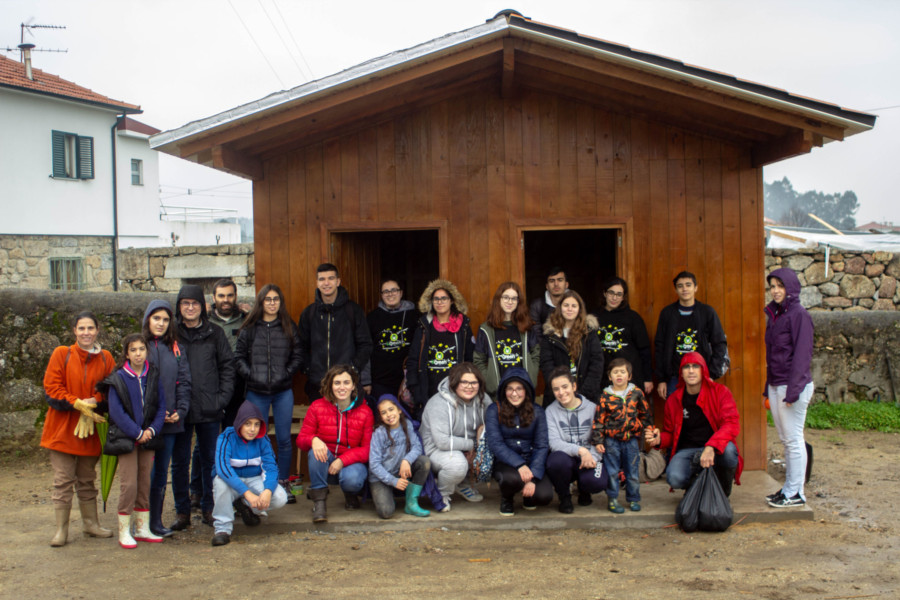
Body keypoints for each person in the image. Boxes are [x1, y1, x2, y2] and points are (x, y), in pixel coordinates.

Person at [41, 311, 115, 547]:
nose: (86, 333)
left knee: (86, 479)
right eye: (81, 328)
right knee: (63, 479)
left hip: (90, 430)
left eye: (90, 328)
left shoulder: (106, 358)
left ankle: (90, 524)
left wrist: (93, 401)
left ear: (97, 330)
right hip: (62, 429)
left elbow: (111, 389)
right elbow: (52, 388)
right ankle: (61, 529)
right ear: (74, 331)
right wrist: (76, 402)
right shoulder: (61, 354)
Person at [171, 285, 235, 529]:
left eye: (194, 303)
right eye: (185, 303)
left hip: (209, 408)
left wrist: (222, 399)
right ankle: (182, 512)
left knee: (211, 461)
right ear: (179, 306)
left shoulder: (214, 333)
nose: (190, 308)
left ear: (203, 306)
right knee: (179, 461)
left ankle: (210, 508)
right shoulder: (172, 334)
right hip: (180, 409)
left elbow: (228, 367)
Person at [235, 283, 303, 504]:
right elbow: (239, 358)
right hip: (256, 392)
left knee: (284, 440)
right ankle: (261, 484)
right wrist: (251, 375)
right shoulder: (250, 328)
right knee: (257, 438)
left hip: (283, 391)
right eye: (268, 299)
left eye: (276, 299)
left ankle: (282, 483)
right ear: (261, 302)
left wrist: (287, 373)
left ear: (280, 302)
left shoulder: (288, 326)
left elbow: (298, 354)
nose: (272, 303)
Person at [645, 352, 742, 496]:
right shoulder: (673, 400)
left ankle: (722, 492)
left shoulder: (720, 392)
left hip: (714, 449)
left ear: (703, 370)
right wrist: (659, 439)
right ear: (681, 373)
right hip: (688, 450)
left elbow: (731, 424)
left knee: (728, 451)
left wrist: (711, 446)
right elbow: (670, 434)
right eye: (686, 367)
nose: (691, 371)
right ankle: (696, 491)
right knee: (674, 478)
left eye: (695, 366)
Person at [101, 334, 166, 548]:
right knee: (129, 484)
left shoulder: (153, 375)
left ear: (147, 351)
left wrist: (152, 430)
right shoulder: (118, 378)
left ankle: (142, 527)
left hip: (149, 438)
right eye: (133, 350)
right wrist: (137, 433)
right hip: (128, 439)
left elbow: (160, 405)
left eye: (141, 349)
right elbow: (117, 412)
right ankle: (124, 530)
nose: (138, 354)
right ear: (126, 353)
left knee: (144, 481)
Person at [296, 364, 373, 523]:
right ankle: (319, 503)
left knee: (352, 479)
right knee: (315, 452)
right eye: (337, 383)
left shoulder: (365, 412)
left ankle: (350, 494)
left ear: (353, 385)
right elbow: (301, 440)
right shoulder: (317, 406)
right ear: (330, 385)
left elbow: (367, 449)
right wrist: (313, 439)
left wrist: (342, 460)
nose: (342, 387)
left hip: (350, 464)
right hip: (327, 461)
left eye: (346, 382)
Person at [764, 268, 814, 508]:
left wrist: (793, 390)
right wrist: (768, 386)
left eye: (780, 286)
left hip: (792, 386)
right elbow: (774, 354)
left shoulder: (799, 315)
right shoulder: (776, 316)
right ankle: (788, 489)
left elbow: (802, 356)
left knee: (794, 439)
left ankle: (796, 492)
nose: (775, 290)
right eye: (772, 286)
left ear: (791, 288)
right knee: (786, 439)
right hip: (777, 384)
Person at [143, 299, 192, 538]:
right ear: (147, 320)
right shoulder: (139, 346)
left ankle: (155, 521)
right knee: (144, 473)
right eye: (156, 318)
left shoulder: (176, 348)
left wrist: (180, 411)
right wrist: (152, 414)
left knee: (162, 473)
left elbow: (184, 382)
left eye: (165, 319)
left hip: (171, 423)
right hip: (146, 424)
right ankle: (140, 521)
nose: (161, 324)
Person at [210, 401, 289, 546]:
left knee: (280, 497)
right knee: (220, 483)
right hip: (232, 480)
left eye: (256, 424)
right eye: (248, 424)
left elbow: (271, 467)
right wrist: (247, 493)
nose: (252, 429)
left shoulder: (262, 439)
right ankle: (222, 529)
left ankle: (245, 505)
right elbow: (223, 468)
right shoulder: (226, 437)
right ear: (239, 423)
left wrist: (267, 490)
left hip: (255, 478)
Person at [419, 362, 491, 511]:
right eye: (464, 382)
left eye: (473, 382)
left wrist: (482, 443)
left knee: (493, 449)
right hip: (436, 450)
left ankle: (464, 485)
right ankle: (441, 493)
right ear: (454, 382)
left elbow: (495, 423)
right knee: (457, 465)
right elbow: (443, 442)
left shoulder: (483, 400)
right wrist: (474, 445)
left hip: (467, 446)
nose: (469, 386)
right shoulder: (439, 403)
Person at [298, 263, 373, 402]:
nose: (326, 283)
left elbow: (365, 345)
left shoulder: (353, 311)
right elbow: (300, 346)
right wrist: (309, 369)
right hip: (317, 385)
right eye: (322, 279)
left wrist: (352, 368)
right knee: (322, 424)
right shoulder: (309, 313)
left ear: (338, 281)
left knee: (346, 424)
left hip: (347, 385)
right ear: (317, 283)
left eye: (331, 278)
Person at [484, 368, 552, 516]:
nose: (514, 394)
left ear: (526, 390)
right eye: (510, 389)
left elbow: (541, 445)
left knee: (544, 496)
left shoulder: (537, 411)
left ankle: (528, 495)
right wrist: (519, 464)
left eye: (519, 388)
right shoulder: (494, 410)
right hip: (506, 463)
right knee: (512, 479)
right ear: (504, 390)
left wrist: (532, 476)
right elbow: (495, 443)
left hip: (531, 460)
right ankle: (507, 498)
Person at [654, 271, 729, 399]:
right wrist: (661, 379)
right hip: (675, 377)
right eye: (680, 286)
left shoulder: (707, 312)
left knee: (702, 415)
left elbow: (719, 343)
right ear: (676, 289)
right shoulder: (667, 314)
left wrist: (711, 374)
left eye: (688, 285)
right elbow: (659, 347)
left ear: (695, 287)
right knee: (676, 416)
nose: (684, 289)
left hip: (701, 376)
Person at [543, 366, 607, 513]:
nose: (561, 392)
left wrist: (592, 457)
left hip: (590, 457)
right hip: (567, 459)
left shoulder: (592, 409)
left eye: (565, 387)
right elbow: (553, 442)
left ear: (574, 386)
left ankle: (585, 489)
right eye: (556, 389)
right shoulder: (550, 411)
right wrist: (580, 450)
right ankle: (564, 496)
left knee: (597, 482)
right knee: (555, 462)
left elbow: (600, 439)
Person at [591, 358, 650, 513]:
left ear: (629, 376)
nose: (619, 375)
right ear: (609, 377)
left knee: (633, 472)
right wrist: (597, 440)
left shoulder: (636, 393)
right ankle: (613, 499)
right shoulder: (605, 397)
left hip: (631, 440)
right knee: (612, 471)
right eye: (615, 372)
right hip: (612, 441)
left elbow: (645, 414)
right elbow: (598, 421)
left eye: (622, 372)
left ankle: (634, 499)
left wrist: (648, 429)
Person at [408, 279, 475, 414]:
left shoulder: (463, 327)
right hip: (428, 390)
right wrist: (415, 388)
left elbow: (471, 359)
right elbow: (413, 359)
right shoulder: (424, 326)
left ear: (451, 301)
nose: (440, 302)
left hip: (457, 390)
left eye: (444, 298)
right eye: (436, 299)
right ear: (431, 302)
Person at [368, 395, 431, 519]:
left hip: (400, 471)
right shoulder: (378, 433)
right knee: (386, 512)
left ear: (399, 410)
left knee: (424, 462)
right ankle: (388, 496)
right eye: (384, 412)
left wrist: (406, 460)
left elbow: (417, 447)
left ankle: (411, 503)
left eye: (391, 409)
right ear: (380, 416)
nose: (389, 415)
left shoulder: (407, 425)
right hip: (381, 477)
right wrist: (392, 481)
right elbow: (374, 464)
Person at [474, 281, 539, 399]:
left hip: (523, 391)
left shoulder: (526, 327)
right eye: (506, 297)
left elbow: (536, 354)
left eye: (514, 298)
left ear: (519, 302)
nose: (510, 302)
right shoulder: (486, 329)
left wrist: (532, 376)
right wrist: (490, 382)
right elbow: (478, 360)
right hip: (497, 392)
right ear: (498, 299)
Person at [539, 290, 605, 405]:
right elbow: (547, 365)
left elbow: (597, 364)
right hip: (557, 398)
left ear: (580, 309)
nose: (569, 309)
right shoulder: (550, 335)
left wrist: (582, 395)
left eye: (574, 306)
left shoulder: (589, 333)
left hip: (586, 397)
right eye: (566, 305)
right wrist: (562, 393)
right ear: (560, 308)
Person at [593, 277, 653, 395]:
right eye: (611, 293)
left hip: (629, 378)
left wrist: (647, 378)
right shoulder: (593, 317)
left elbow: (644, 350)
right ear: (605, 293)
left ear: (623, 297)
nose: (614, 298)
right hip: (601, 378)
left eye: (619, 294)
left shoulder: (633, 318)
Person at [366, 278, 419, 400]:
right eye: (386, 291)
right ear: (381, 295)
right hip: (380, 381)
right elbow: (366, 350)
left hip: (408, 380)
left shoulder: (415, 316)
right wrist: (366, 381)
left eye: (394, 290)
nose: (390, 294)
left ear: (401, 293)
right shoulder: (372, 318)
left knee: (408, 417)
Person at [207, 278, 248, 427]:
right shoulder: (205, 320)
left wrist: (251, 314)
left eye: (230, 295)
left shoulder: (245, 320)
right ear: (213, 298)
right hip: (211, 381)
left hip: (238, 383)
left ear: (235, 296)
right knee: (208, 432)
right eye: (221, 296)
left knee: (234, 426)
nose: (226, 300)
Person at [528, 267, 570, 344]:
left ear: (566, 284)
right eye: (552, 281)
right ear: (547, 286)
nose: (556, 284)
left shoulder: (576, 303)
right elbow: (536, 335)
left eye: (560, 280)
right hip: (546, 350)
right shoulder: (537, 305)